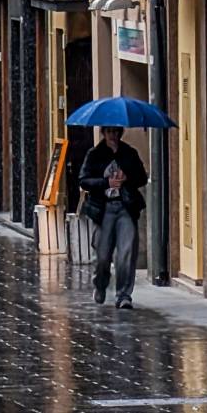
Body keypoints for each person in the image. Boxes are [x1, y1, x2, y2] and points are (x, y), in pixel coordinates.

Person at [78, 126, 149, 309]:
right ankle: (100, 285)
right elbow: (84, 180)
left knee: (126, 253)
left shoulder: (129, 153)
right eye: (109, 132)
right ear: (103, 133)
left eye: (116, 132)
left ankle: (124, 295)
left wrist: (127, 177)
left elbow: (141, 177)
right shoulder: (94, 154)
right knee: (102, 256)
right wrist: (106, 183)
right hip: (103, 210)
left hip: (125, 207)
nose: (113, 136)